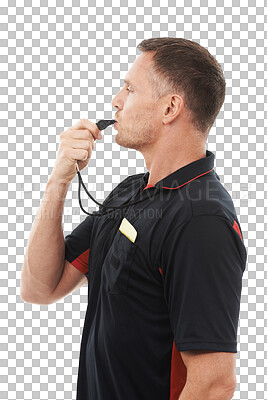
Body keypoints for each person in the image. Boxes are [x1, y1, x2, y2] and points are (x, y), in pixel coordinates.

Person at [20, 37, 247, 400]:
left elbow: (214, 383)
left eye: (129, 88)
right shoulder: (129, 192)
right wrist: (58, 181)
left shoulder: (201, 221)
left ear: (170, 107)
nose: (116, 100)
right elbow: (40, 288)